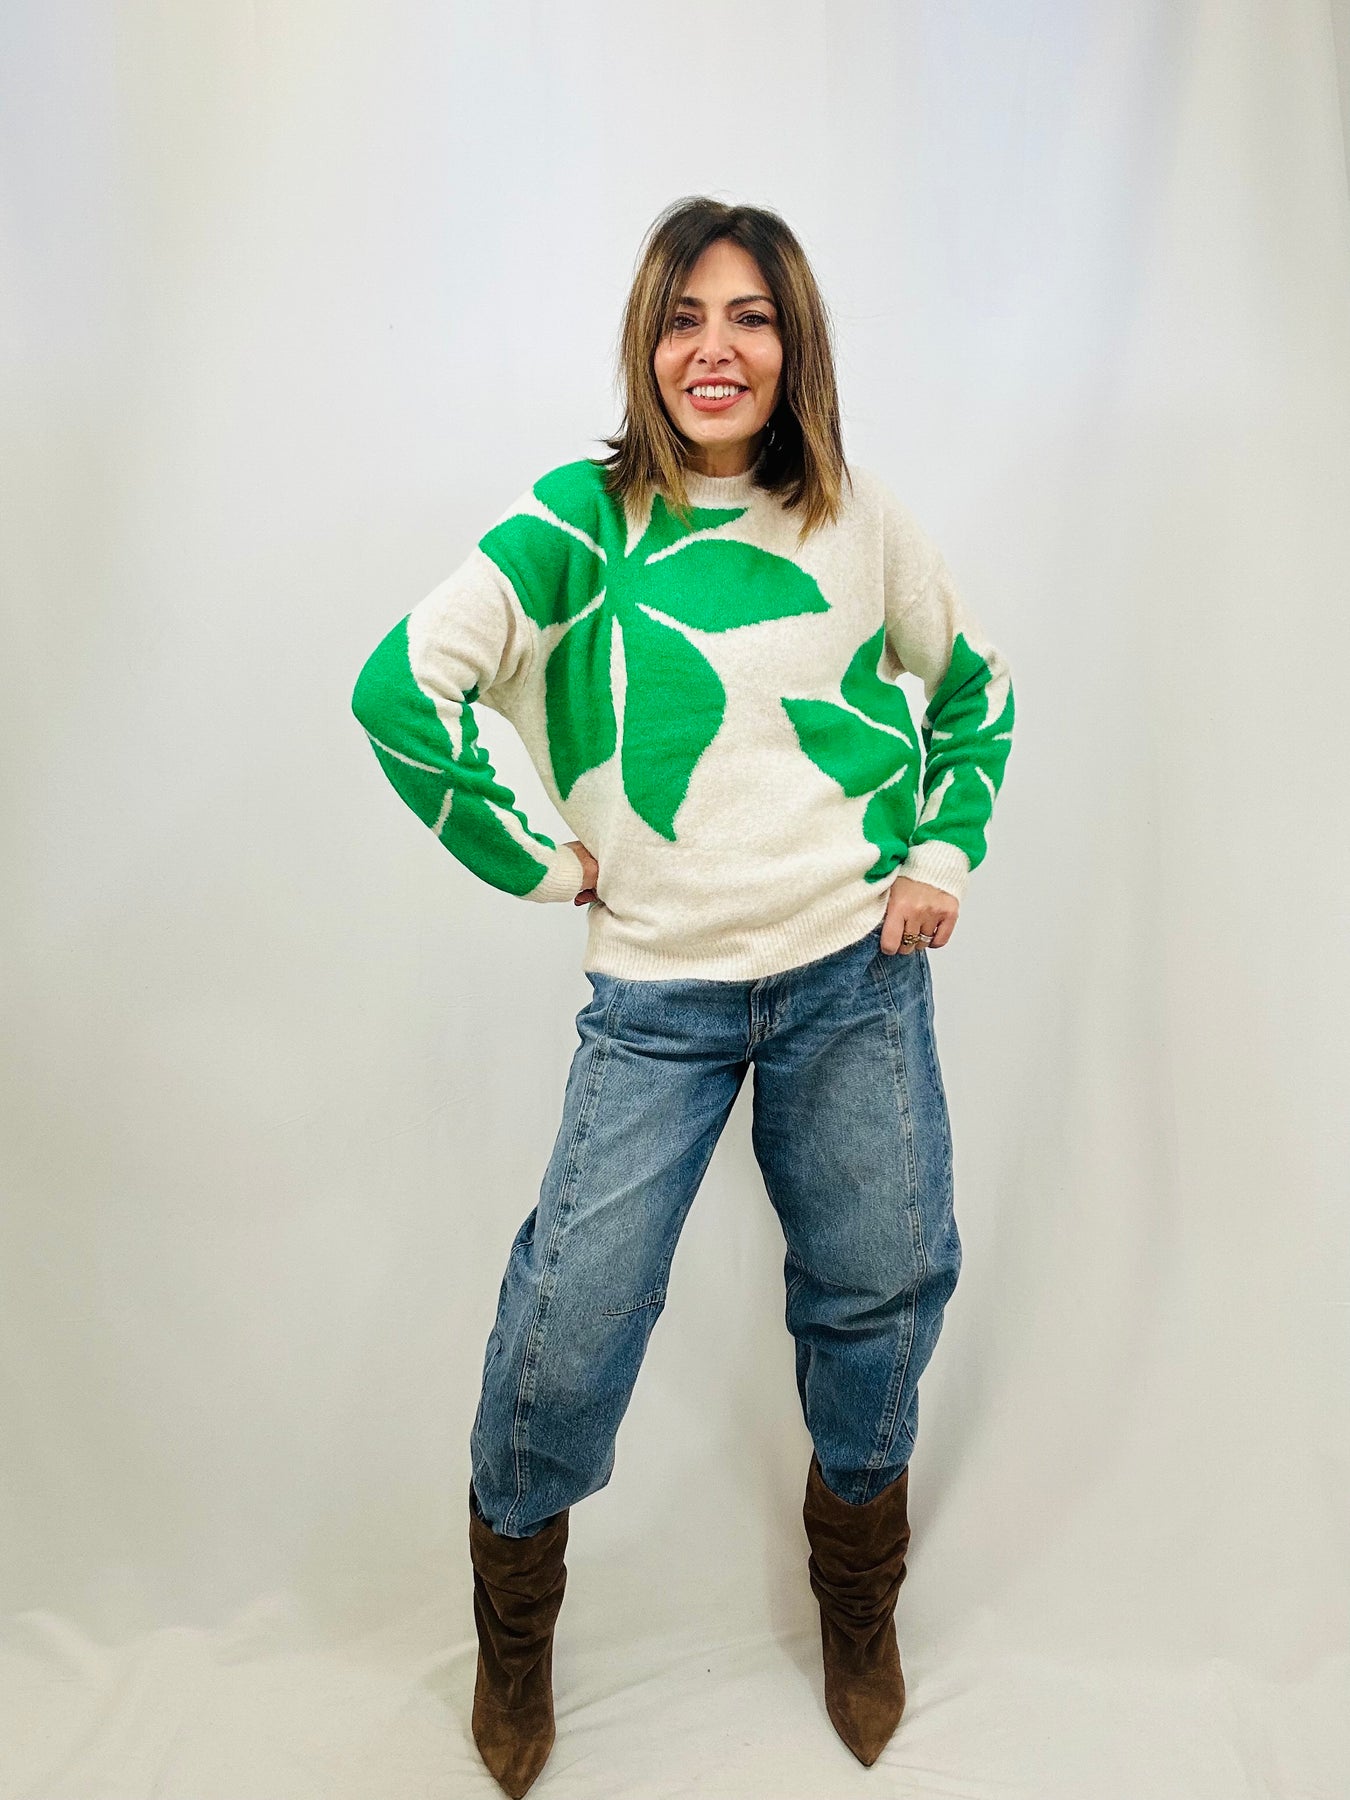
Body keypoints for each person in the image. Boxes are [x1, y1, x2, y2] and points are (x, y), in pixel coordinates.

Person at [351, 194, 1014, 1796]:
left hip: (852, 975)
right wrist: (538, 860)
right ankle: (515, 1644)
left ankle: (856, 1605)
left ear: (796, 346)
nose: (714, 349)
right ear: (644, 343)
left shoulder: (856, 519)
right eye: (682, 316)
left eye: (751, 317)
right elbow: (399, 687)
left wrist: (938, 852)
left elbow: (974, 691)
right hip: (657, 997)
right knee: (570, 1321)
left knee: (878, 1287)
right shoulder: (579, 522)